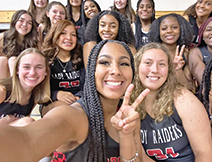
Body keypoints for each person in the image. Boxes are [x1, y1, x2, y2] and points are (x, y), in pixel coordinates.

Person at [0, 40, 149, 162]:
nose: (116, 70)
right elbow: (27, 141)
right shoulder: (74, 116)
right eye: (105, 62)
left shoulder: (128, 114)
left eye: (124, 64)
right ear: (92, 71)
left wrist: (127, 136)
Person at [131, 42, 212, 161]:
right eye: (148, 63)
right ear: (137, 66)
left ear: (169, 70)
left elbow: (205, 155)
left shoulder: (184, 100)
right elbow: (140, 156)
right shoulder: (130, 102)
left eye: (161, 64)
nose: (154, 70)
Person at [0, 48, 50, 125]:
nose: (32, 73)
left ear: (46, 71)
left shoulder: (35, 94)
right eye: (26, 67)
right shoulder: (2, 90)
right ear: (17, 70)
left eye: (39, 67)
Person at [148, 13, 194, 90]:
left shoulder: (185, 54)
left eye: (174, 27)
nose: (169, 31)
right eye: (164, 28)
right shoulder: (151, 52)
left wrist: (178, 70)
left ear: (181, 29)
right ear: (158, 31)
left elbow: (188, 86)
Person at [42, 20, 84, 104]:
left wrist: (78, 97)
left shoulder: (82, 58)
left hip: (79, 102)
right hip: (52, 102)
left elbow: (87, 86)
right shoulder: (45, 59)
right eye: (63, 33)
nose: (69, 38)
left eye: (73, 35)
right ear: (54, 35)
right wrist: (56, 94)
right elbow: (40, 91)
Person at [0, 10, 39, 79]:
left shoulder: (35, 41)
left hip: (26, 75)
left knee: (13, 60)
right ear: (15, 21)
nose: (24, 25)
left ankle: (16, 87)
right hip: (6, 74)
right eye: (21, 21)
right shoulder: (2, 37)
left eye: (29, 23)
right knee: (3, 60)